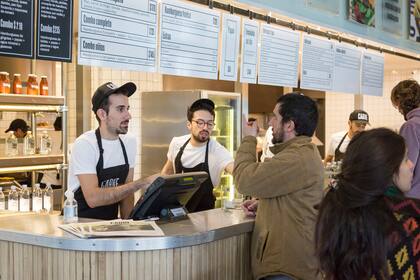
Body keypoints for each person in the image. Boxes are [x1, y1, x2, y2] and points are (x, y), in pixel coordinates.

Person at [234, 93, 324, 280]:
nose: (270, 123)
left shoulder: (294, 158)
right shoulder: (302, 153)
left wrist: (248, 139)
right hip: (292, 264)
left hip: (286, 268)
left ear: (289, 125)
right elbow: (295, 198)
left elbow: (244, 180)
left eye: (275, 117)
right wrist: (266, 204)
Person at [315, 128, 418, 279]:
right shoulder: (407, 223)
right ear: (386, 170)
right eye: (405, 159)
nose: (411, 164)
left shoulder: (339, 214)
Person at [68, 82, 156, 220]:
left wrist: (130, 226)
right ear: (102, 114)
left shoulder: (129, 142)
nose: (128, 116)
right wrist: (141, 183)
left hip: (109, 226)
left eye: (127, 108)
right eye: (121, 109)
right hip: (79, 227)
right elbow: (93, 199)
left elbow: (127, 194)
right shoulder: (85, 144)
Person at [160, 98, 234, 212]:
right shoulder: (177, 143)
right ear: (189, 124)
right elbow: (167, 173)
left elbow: (238, 173)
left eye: (210, 123)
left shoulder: (218, 151)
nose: (205, 128)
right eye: (200, 122)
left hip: (205, 219)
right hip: (177, 214)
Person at [391, 79, 420, 199]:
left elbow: (407, 165)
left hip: (415, 196)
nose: (398, 110)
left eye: (397, 105)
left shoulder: (411, 126)